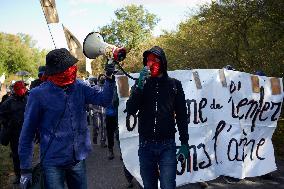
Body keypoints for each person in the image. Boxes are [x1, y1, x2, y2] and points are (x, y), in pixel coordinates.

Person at [18, 48, 116, 189]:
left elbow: (104, 100)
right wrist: (25, 169)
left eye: (71, 66)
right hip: (52, 163)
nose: (71, 70)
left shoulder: (80, 87)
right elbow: (27, 133)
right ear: (54, 72)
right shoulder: (37, 95)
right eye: (66, 68)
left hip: (77, 160)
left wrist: (109, 77)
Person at [126, 46, 189, 189]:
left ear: (163, 62)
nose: (151, 63)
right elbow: (130, 109)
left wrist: (184, 142)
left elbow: (181, 116)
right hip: (145, 145)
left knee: (168, 185)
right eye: (148, 60)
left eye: (155, 60)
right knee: (149, 186)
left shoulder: (174, 85)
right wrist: (139, 87)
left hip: (167, 145)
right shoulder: (142, 83)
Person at [0, 81, 28, 184]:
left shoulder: (27, 99)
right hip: (14, 133)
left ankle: (26, 173)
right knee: (16, 154)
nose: (23, 91)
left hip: (26, 131)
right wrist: (8, 123)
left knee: (26, 153)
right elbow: (2, 115)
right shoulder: (8, 103)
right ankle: (18, 175)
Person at [105, 76, 119, 160]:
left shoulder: (121, 85)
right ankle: (110, 150)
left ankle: (122, 151)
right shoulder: (108, 87)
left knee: (120, 134)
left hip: (119, 114)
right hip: (110, 114)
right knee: (110, 134)